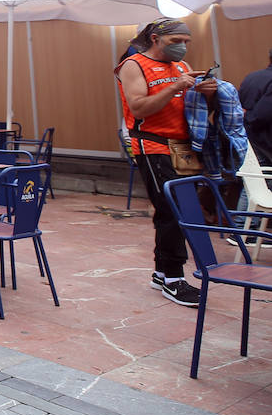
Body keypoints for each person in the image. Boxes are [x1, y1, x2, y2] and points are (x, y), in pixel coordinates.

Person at [116, 17, 218, 307]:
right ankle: (174, 278)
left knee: (176, 209)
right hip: (152, 145)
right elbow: (138, 107)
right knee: (171, 210)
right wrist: (173, 87)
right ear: (156, 40)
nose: (182, 48)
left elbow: (183, 105)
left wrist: (206, 95)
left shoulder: (181, 68)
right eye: (176, 42)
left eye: (186, 42)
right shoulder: (133, 65)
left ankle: (162, 273)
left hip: (182, 147)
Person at [240, 49, 272, 167]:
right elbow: (260, 116)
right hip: (266, 146)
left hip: (247, 144)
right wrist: (246, 115)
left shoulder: (251, 77)